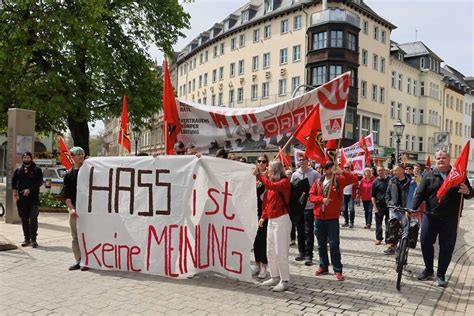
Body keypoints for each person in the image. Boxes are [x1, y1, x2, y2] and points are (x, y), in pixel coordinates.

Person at [412, 150, 473, 287]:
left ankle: (441, 275)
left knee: (446, 247)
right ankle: (428, 270)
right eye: (438, 158)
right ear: (435, 160)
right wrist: (412, 209)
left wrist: (467, 191)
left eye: (444, 157)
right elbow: (419, 194)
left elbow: (470, 193)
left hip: (450, 219)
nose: (441, 160)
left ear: (449, 159)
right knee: (425, 242)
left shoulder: (459, 175)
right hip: (430, 216)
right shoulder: (428, 175)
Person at [309, 161, 358, 281]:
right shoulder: (318, 182)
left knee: (334, 244)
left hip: (332, 218)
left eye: (327, 167)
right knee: (321, 245)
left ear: (332, 168)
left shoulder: (339, 180)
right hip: (319, 217)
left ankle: (337, 270)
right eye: (323, 167)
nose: (324, 169)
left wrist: (342, 171)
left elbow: (353, 179)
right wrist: (321, 199)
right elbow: (311, 196)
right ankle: (323, 266)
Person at [253, 160, 291, 292]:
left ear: (275, 170)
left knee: (280, 251)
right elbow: (268, 203)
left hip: (282, 219)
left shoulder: (284, 182)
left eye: (269, 168)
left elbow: (270, 185)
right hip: (272, 220)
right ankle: (274, 276)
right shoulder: (272, 184)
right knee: (270, 250)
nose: (267, 169)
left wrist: (258, 176)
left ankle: (284, 280)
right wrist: (263, 216)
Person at [290, 154, 320, 266]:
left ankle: (309, 255)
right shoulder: (295, 174)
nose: (301, 161)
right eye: (300, 160)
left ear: (308, 161)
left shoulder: (315, 174)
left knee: (309, 231)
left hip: (309, 206)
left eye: (304, 159)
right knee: (300, 231)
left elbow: (319, 188)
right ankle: (301, 252)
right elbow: (292, 189)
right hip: (298, 206)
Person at [62, 146, 88, 271]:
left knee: (88, 235)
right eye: (78, 154)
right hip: (75, 210)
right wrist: (71, 208)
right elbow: (66, 195)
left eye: (82, 153)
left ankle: (88, 260)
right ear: (72, 157)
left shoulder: (90, 171)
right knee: (75, 237)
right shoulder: (69, 175)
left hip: (89, 210)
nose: (81, 156)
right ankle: (79, 260)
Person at [12, 152, 43, 248]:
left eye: (28, 157)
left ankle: (34, 240)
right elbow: (14, 182)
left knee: (33, 217)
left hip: (33, 198)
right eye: (24, 157)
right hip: (22, 198)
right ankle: (26, 239)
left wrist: (29, 190)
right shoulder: (18, 170)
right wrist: (15, 193)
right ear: (22, 159)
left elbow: (39, 182)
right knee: (24, 218)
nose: (26, 159)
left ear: (31, 158)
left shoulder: (37, 170)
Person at [384, 164, 413, 255]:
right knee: (393, 224)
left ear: (402, 170)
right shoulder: (391, 181)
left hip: (406, 208)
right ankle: (392, 245)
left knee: (407, 227)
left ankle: (405, 244)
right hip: (395, 207)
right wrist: (389, 203)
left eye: (396, 170)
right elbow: (387, 194)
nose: (394, 172)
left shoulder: (411, 181)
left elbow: (416, 194)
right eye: (393, 170)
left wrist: (412, 206)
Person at [253, 154, 269, 279]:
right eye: (259, 161)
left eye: (264, 161)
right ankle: (257, 263)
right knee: (255, 239)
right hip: (252, 211)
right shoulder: (252, 176)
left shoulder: (269, 177)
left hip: (264, 212)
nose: (261, 164)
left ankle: (264, 265)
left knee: (263, 240)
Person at [371, 166, 390, 245]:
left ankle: (388, 239)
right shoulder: (375, 182)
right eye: (379, 171)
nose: (380, 172)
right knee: (378, 224)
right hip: (379, 206)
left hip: (389, 206)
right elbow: (373, 196)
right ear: (377, 172)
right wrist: (375, 207)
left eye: (382, 170)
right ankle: (379, 238)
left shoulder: (390, 180)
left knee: (388, 224)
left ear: (385, 171)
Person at [341, 163, 357, 228]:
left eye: (347, 167)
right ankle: (346, 221)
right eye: (345, 167)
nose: (346, 169)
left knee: (351, 209)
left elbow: (356, 182)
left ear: (350, 168)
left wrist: (354, 184)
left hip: (351, 194)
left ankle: (351, 222)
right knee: (344, 209)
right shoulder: (342, 175)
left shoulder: (353, 174)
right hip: (344, 194)